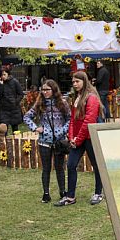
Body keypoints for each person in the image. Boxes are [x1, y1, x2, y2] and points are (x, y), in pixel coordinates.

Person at [56, 71, 103, 206]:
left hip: (89, 137)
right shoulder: (77, 97)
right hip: (77, 139)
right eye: (73, 82)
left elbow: (89, 120)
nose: (75, 84)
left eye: (77, 81)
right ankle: (70, 197)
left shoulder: (92, 97)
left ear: (84, 81)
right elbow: (72, 119)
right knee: (71, 165)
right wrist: (71, 136)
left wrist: (77, 139)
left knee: (96, 165)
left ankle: (98, 193)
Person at [24, 79, 71, 203]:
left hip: (59, 141)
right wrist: (36, 128)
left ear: (53, 90)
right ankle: (46, 193)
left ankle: (62, 191)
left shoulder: (62, 103)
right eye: (43, 90)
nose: (44, 92)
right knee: (46, 168)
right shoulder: (40, 103)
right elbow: (27, 117)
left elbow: (69, 119)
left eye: (47, 90)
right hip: (44, 141)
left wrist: (63, 130)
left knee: (60, 167)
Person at [0, 68, 24, 134]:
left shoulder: (14, 82)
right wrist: (1, 85)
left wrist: (15, 102)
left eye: (4, 74)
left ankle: (16, 140)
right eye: (1, 75)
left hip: (14, 108)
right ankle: (4, 140)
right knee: (3, 128)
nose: (3, 76)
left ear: (8, 74)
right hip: (4, 109)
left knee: (15, 129)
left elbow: (21, 94)